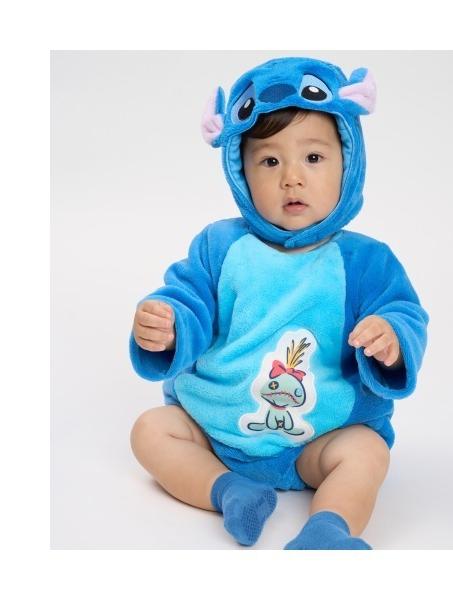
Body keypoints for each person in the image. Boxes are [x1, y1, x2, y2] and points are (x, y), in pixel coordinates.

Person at [129, 56, 429, 550]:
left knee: (367, 452)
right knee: (150, 430)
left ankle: (328, 530)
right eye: (270, 161)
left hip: (320, 436)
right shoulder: (219, 246)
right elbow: (188, 298)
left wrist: (391, 338)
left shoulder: (366, 261)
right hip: (215, 429)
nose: (292, 177)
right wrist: (168, 324)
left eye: (313, 158)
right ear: (240, 172)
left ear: (348, 161)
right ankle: (230, 491)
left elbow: (405, 313)